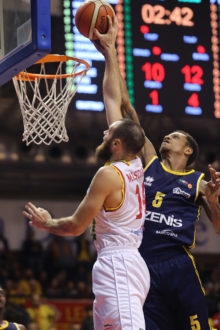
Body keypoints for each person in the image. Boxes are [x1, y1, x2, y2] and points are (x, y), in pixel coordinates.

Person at [92, 14, 220, 330]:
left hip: (178, 265)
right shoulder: (147, 162)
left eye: (175, 135)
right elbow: (119, 105)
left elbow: (219, 228)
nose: (167, 136)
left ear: (188, 150)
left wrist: (215, 202)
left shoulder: (198, 181)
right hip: (143, 265)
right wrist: (111, 53)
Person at [22, 69, 150, 327]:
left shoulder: (108, 175)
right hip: (125, 262)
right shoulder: (136, 161)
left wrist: (46, 223)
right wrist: (109, 52)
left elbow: (76, 226)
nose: (104, 133)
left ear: (116, 144)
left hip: (118, 265)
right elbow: (113, 100)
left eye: (108, 132)